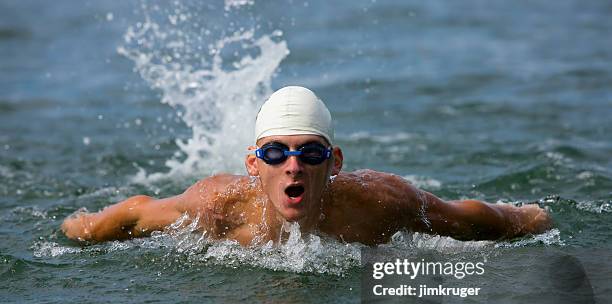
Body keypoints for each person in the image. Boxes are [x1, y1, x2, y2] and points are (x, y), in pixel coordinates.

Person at [61, 86, 552, 246]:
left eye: (310, 153)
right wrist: (76, 229)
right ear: (255, 164)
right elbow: (134, 213)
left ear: (333, 162)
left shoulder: (378, 204)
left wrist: (533, 219)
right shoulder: (217, 207)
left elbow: (468, 216)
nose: (293, 166)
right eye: (276, 153)